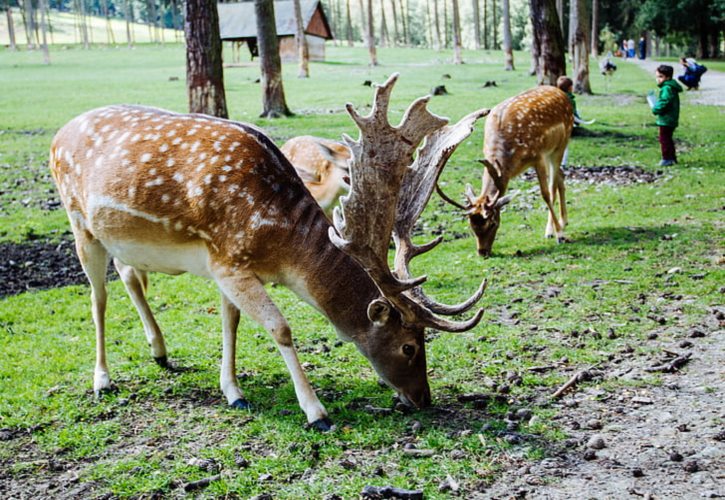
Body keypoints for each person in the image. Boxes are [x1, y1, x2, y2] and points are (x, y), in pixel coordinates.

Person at [650, 65, 683, 167]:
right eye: (657, 77)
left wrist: (656, 109)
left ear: (668, 77)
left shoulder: (667, 88)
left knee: (664, 139)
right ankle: (672, 157)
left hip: (666, 119)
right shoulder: (670, 87)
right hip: (670, 118)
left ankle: (667, 158)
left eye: (661, 77)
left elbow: (665, 101)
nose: (658, 79)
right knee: (668, 138)